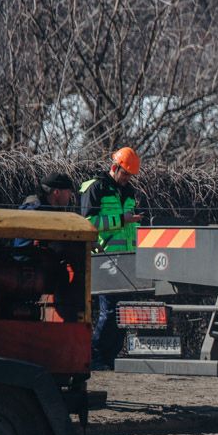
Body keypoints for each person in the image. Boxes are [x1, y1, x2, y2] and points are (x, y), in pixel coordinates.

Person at [80, 147, 144, 368]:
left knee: (122, 312)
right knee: (109, 312)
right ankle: (94, 357)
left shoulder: (129, 191)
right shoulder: (95, 188)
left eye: (130, 175)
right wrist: (122, 219)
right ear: (114, 167)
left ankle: (109, 359)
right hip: (103, 258)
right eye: (125, 173)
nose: (127, 178)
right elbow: (87, 223)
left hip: (126, 260)